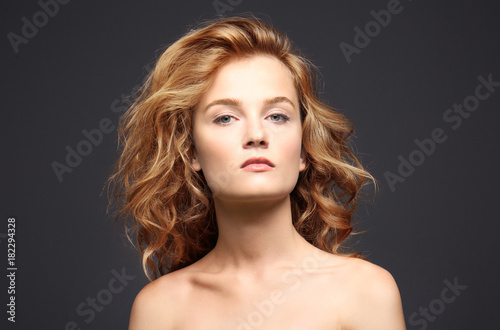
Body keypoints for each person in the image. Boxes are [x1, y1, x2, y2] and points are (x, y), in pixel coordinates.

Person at [107, 15, 406, 329]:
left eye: (277, 116)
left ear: (304, 149)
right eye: (225, 118)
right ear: (191, 151)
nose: (257, 134)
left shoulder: (365, 292)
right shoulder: (160, 309)